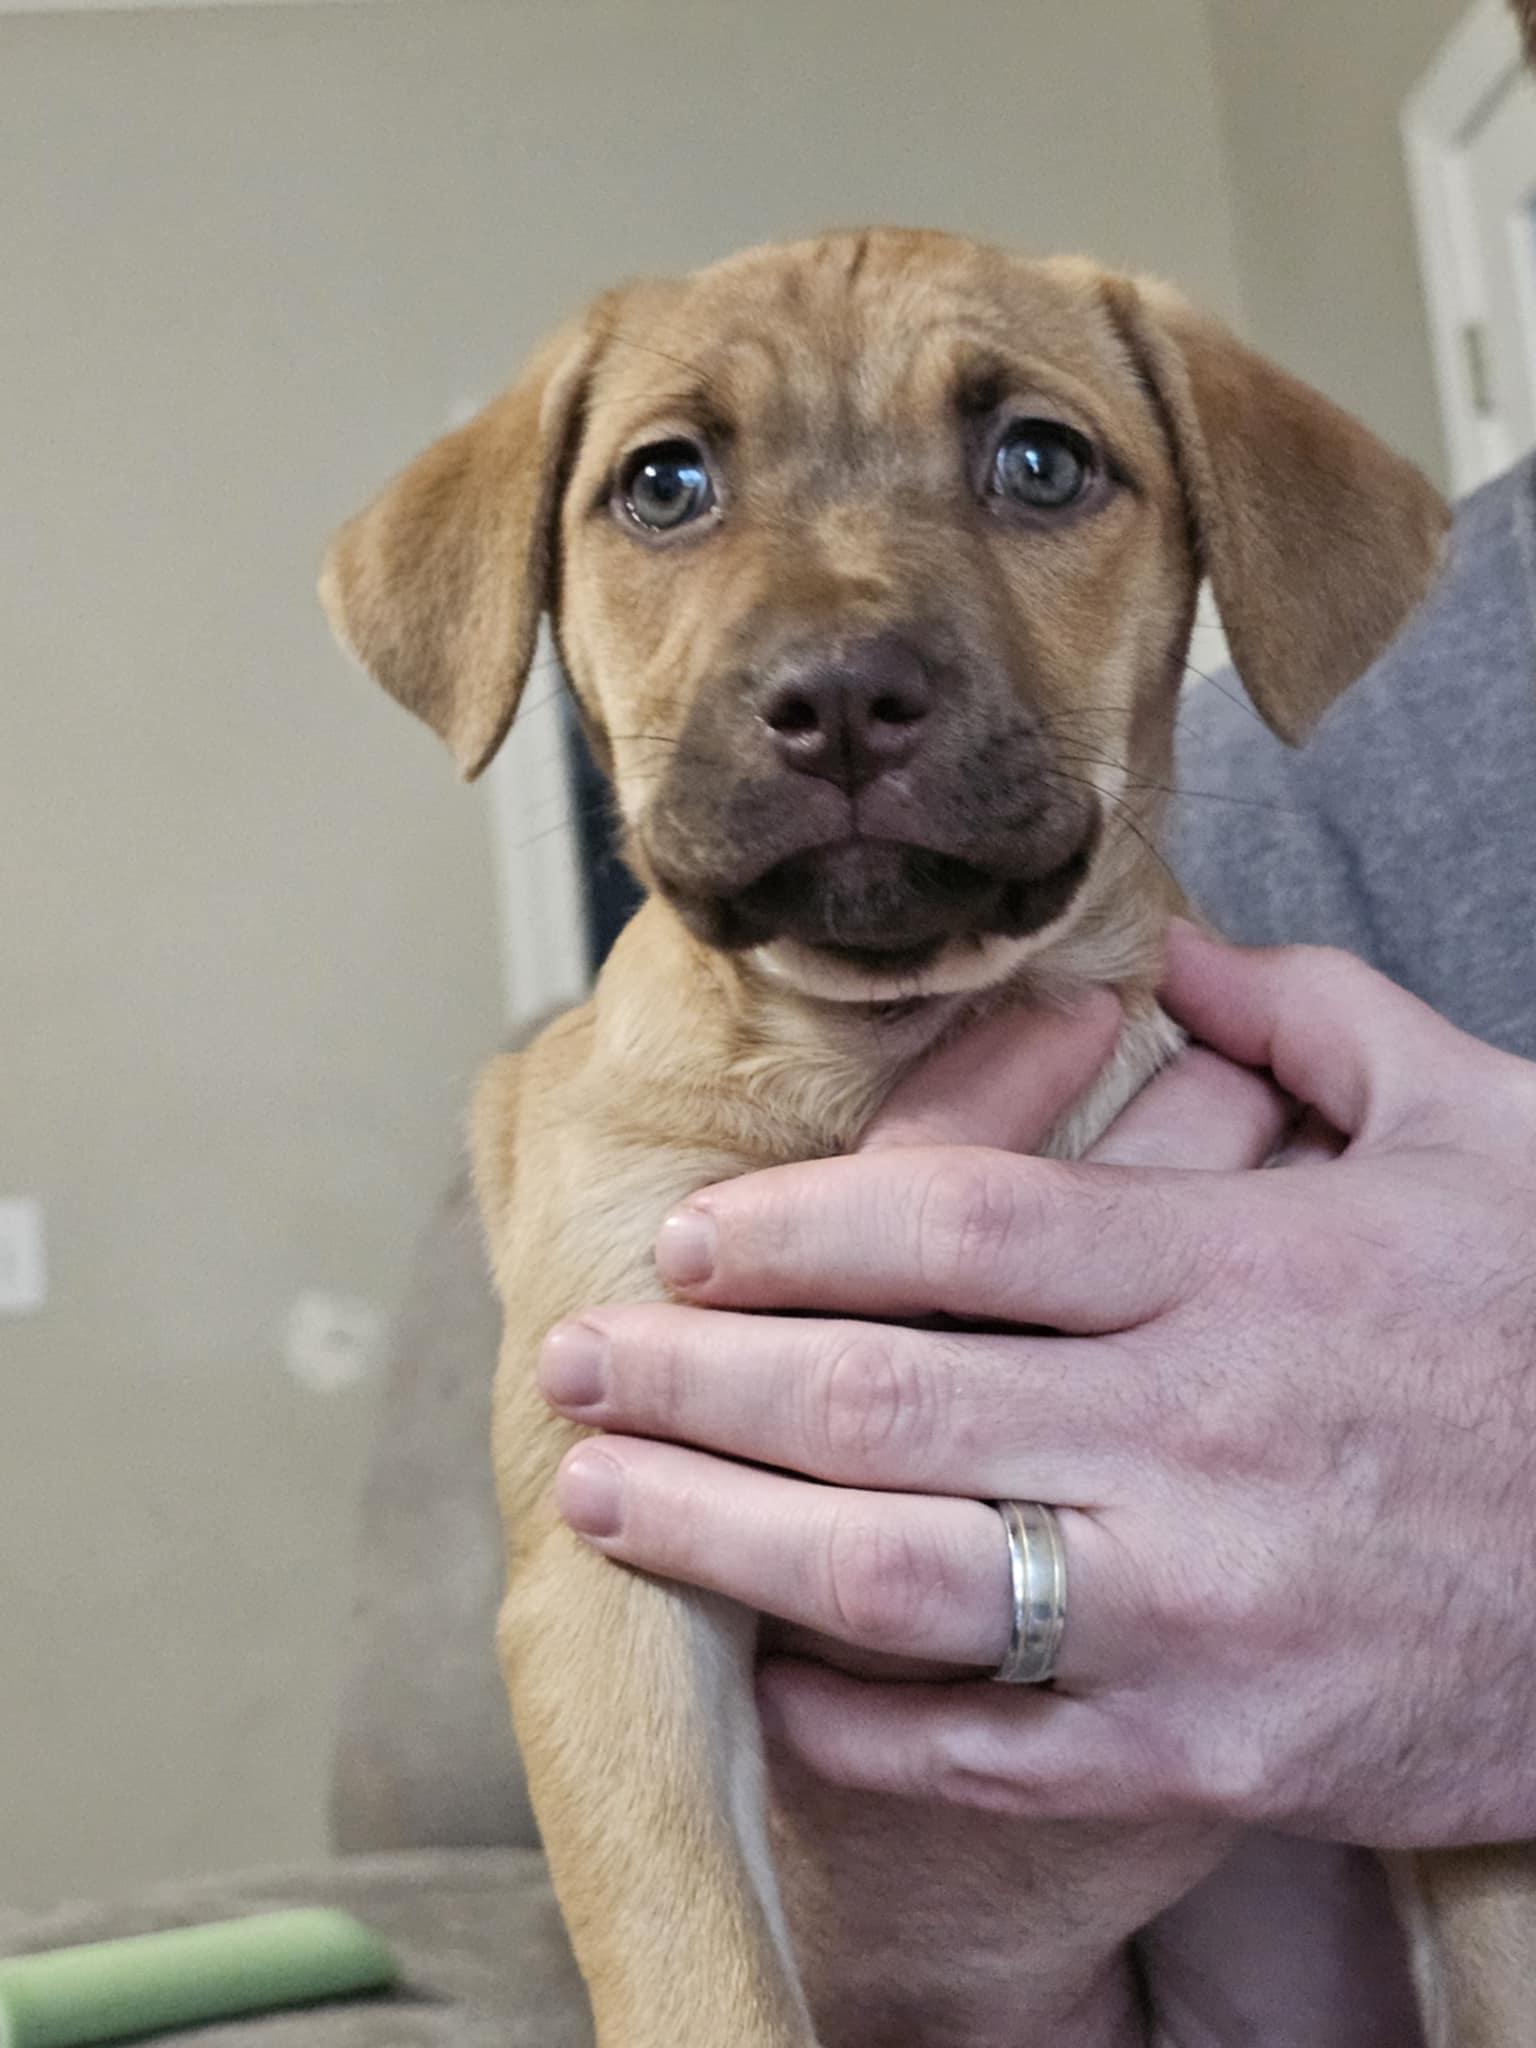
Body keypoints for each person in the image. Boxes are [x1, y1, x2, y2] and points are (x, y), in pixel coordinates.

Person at [538, 11, 1536, 2034]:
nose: (837, 651)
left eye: (1035, 463)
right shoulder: (606, 1134)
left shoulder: (1271, 1069)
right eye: (668, 484)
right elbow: (609, 1632)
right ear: (523, 603)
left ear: (1213, 561)